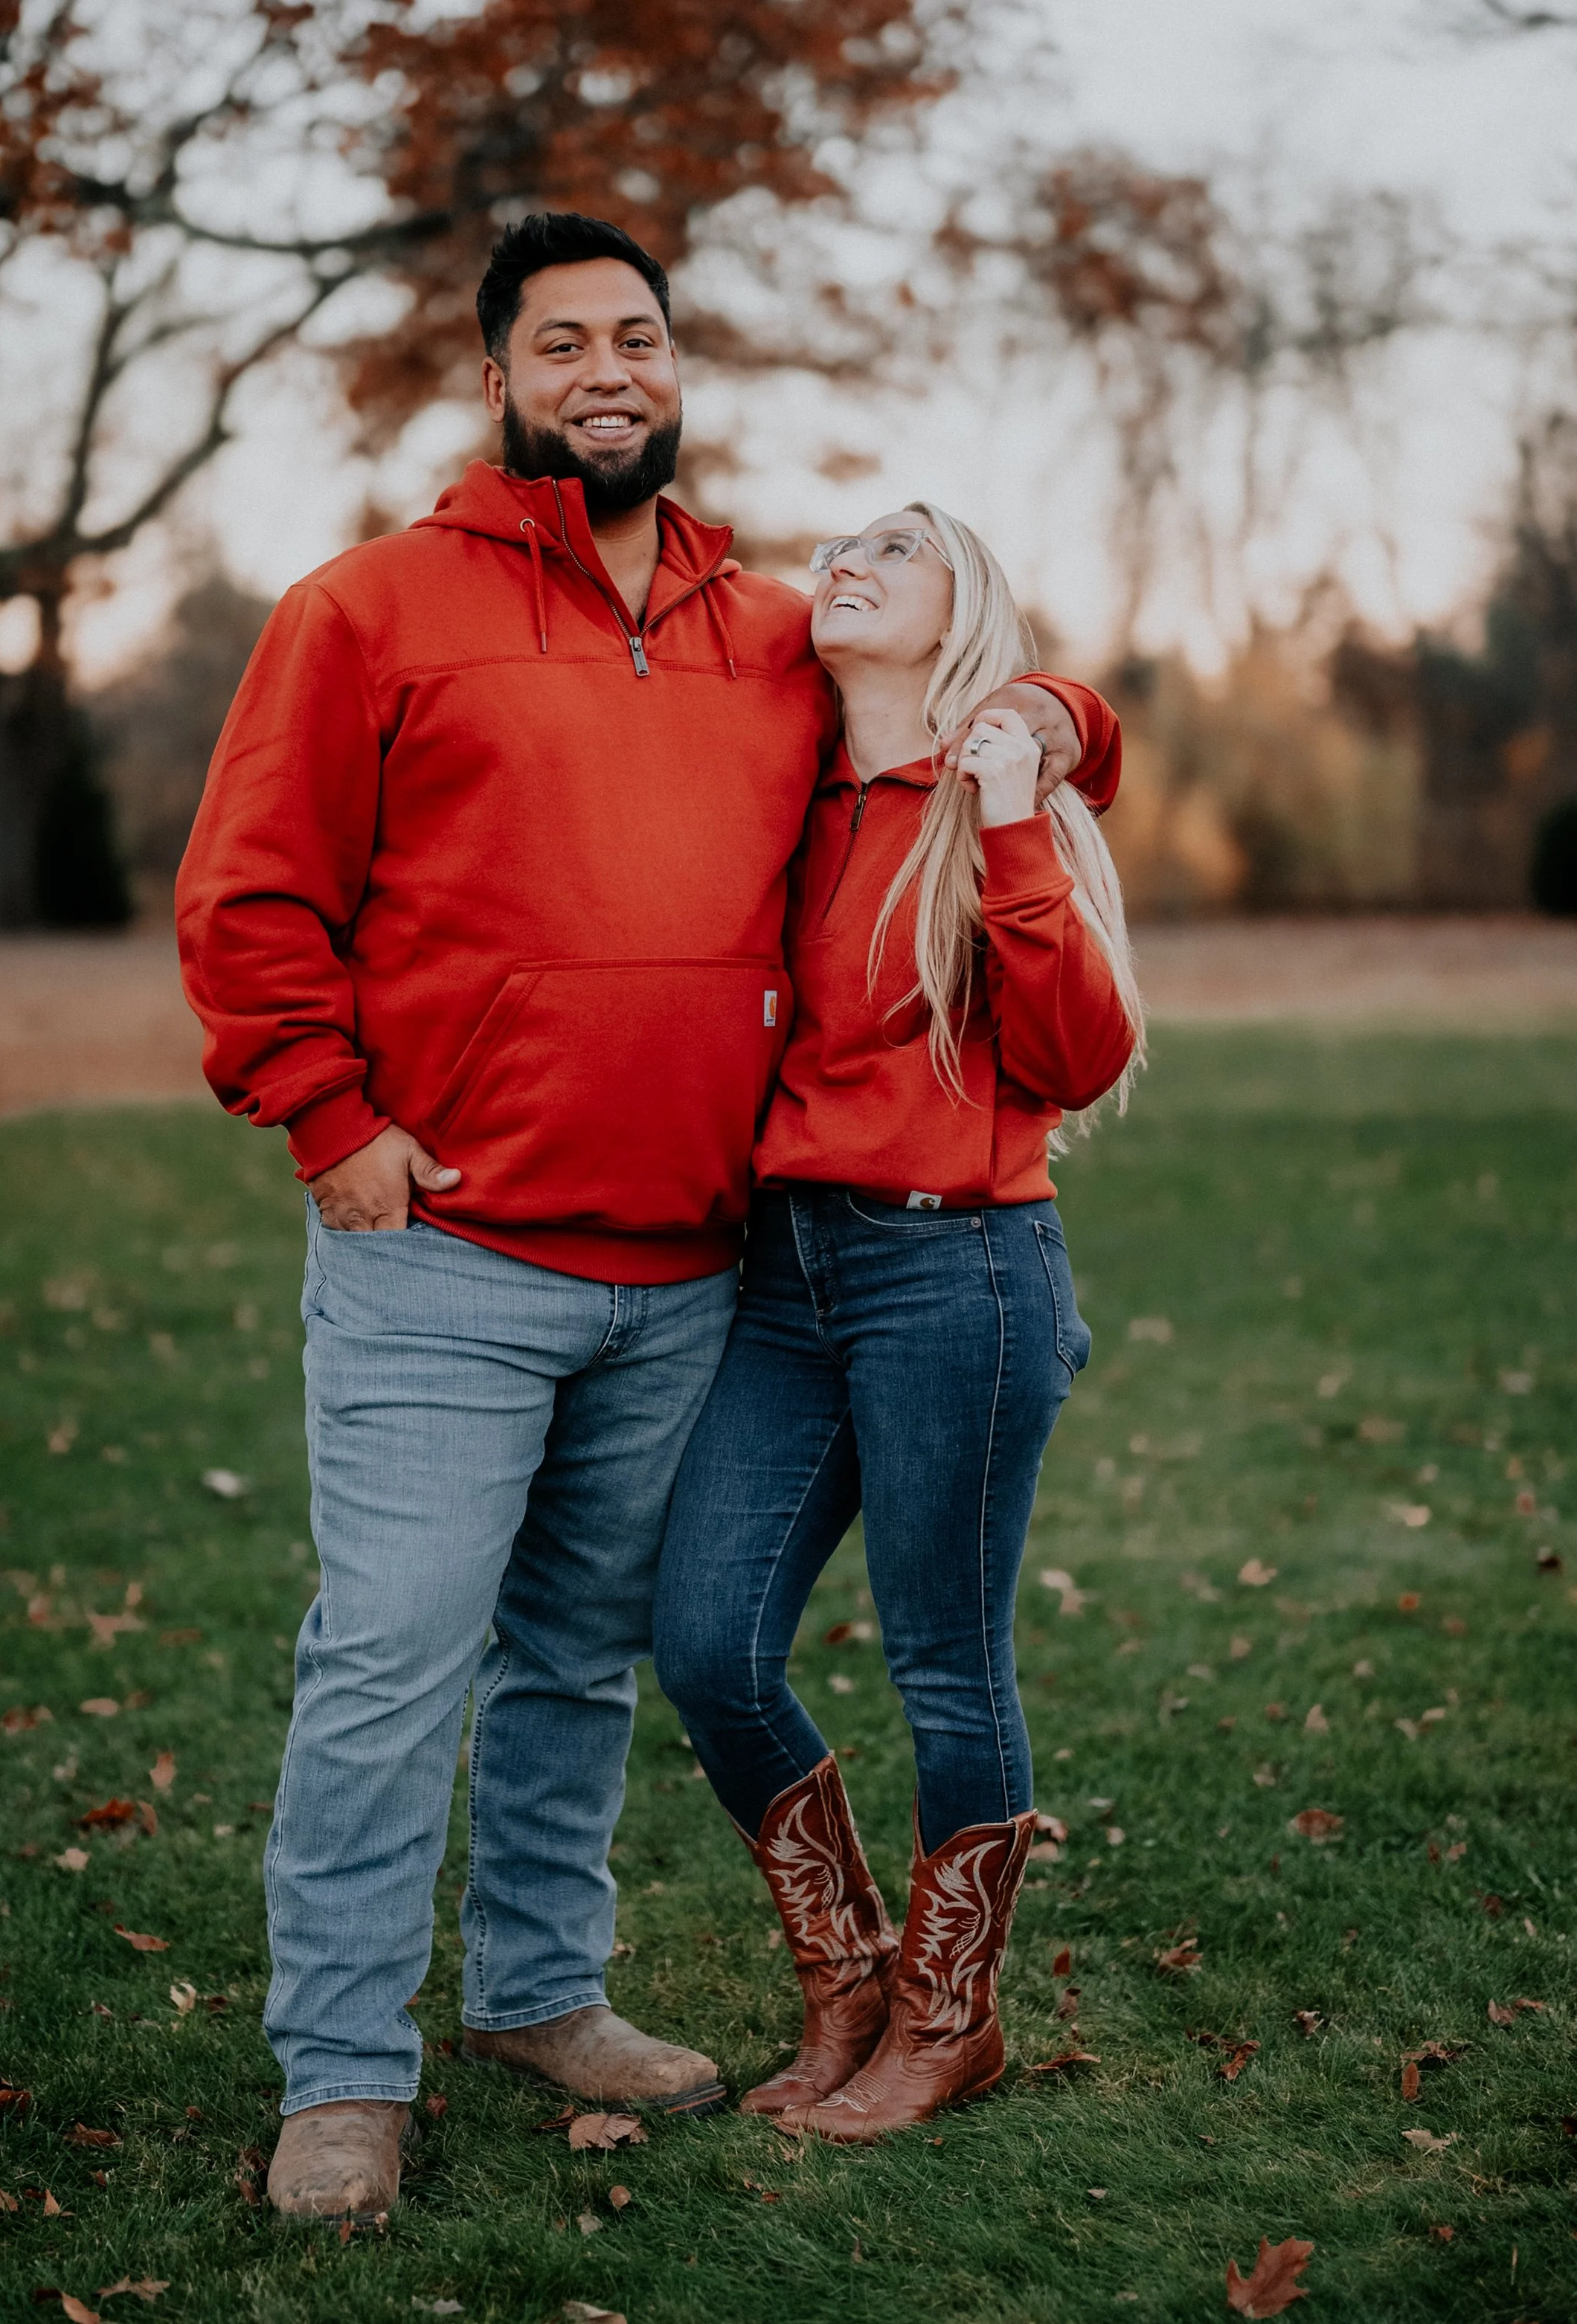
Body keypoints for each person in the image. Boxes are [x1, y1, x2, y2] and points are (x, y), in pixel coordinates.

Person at [176, 210, 1113, 2226]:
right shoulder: (368, 607)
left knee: (578, 1659)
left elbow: (989, 672)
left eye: (639, 336)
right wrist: (324, 1113)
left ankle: (537, 1988)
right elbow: (248, 893)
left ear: (674, 372)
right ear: (503, 379)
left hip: (695, 1272)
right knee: (389, 1659)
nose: (606, 366)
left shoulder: (769, 627)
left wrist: (1068, 730)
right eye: (562, 341)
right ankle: (343, 2069)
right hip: (443, 1255)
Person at [654, 504, 1143, 2143]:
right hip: (782, 1274)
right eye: (842, 541)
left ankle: (949, 2019)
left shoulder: (998, 800)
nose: (848, 559)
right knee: (708, 1641)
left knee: (946, 1659)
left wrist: (1017, 794)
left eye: (899, 550)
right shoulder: (788, 793)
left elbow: (1076, 1058)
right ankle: (845, 1971)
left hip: (962, 1268)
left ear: (963, 615)